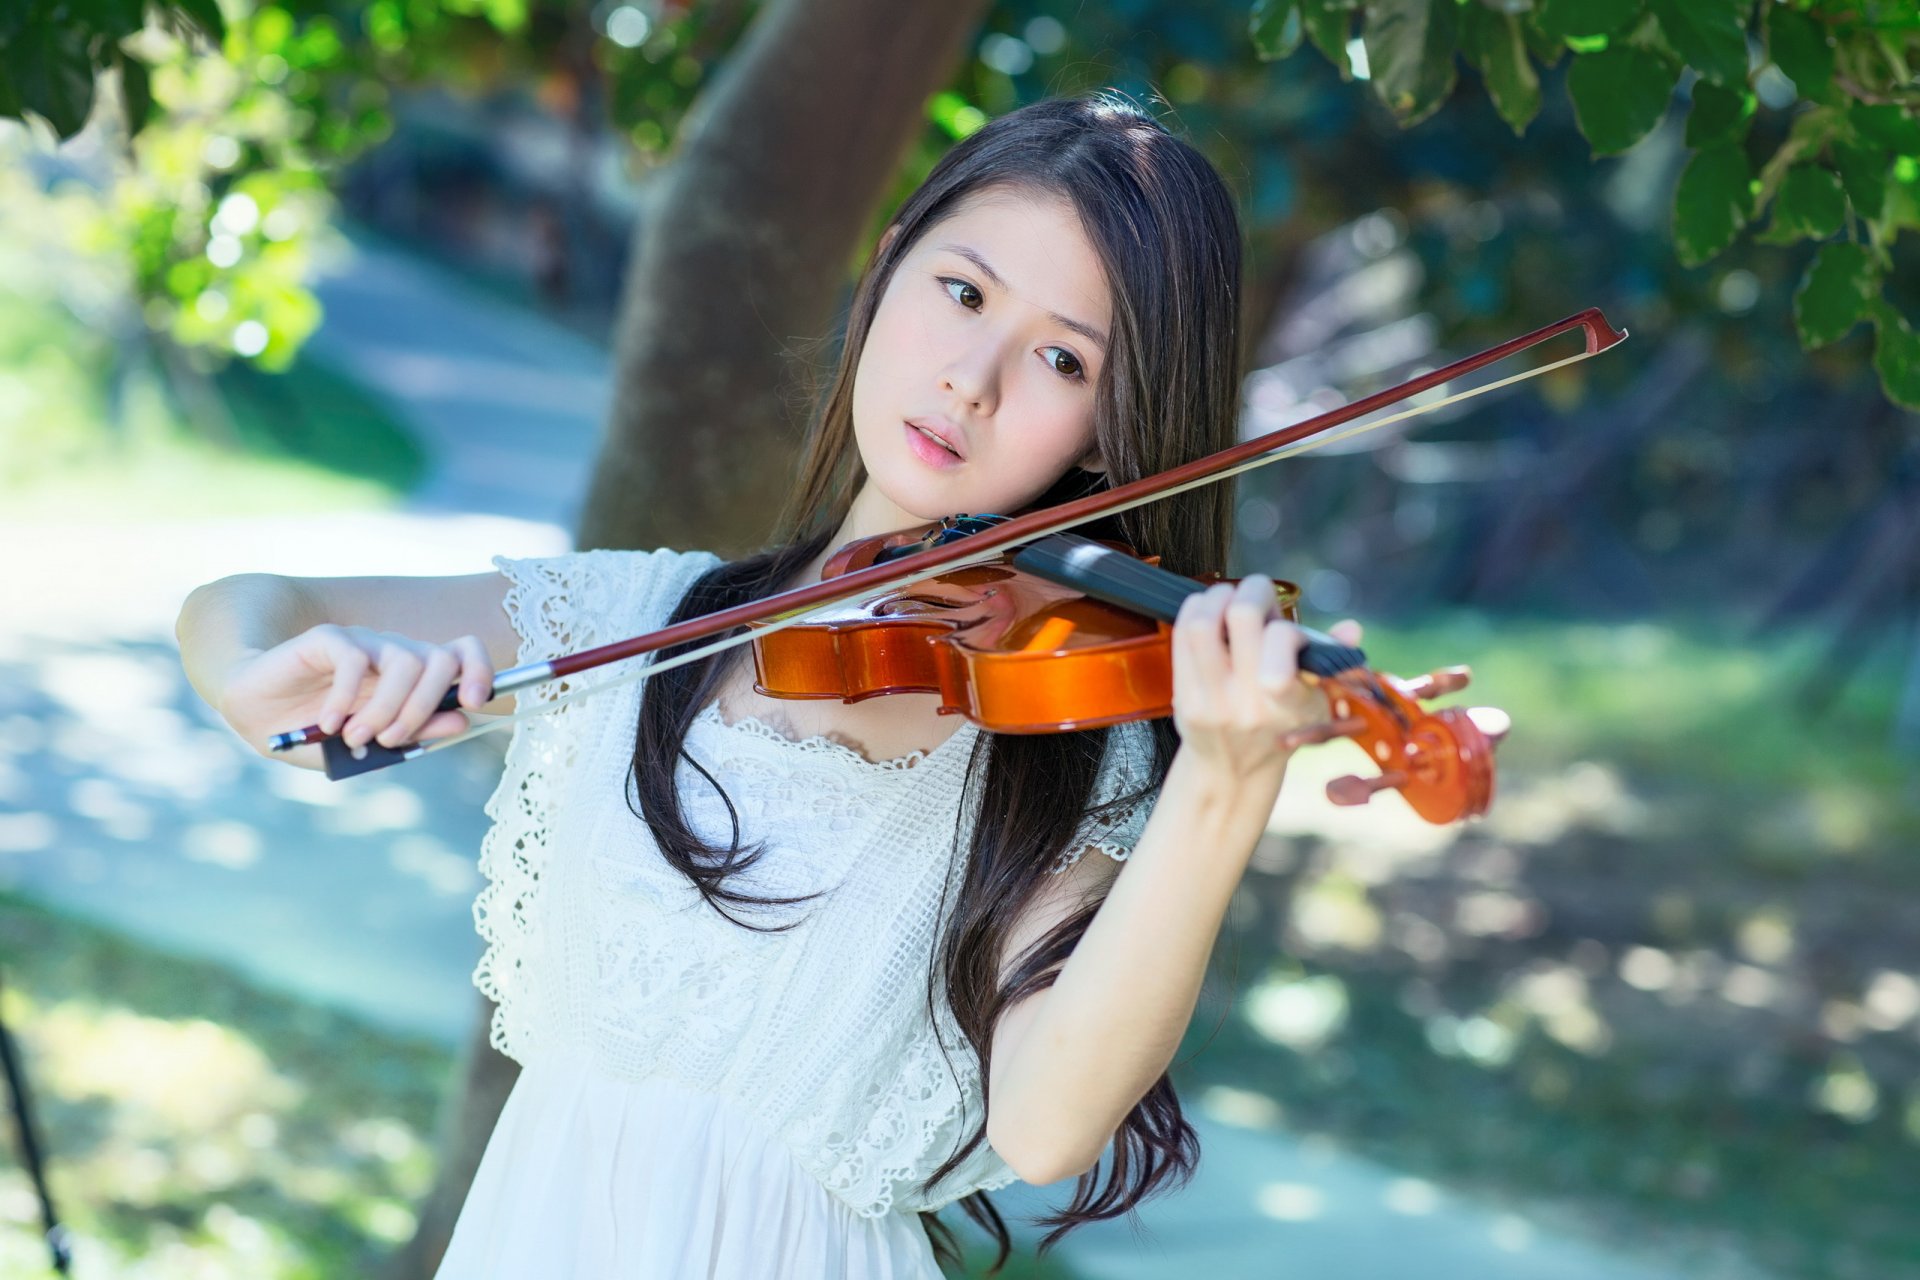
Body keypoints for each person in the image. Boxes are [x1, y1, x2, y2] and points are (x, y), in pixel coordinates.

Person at [177, 93, 1361, 1278]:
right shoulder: (640, 624)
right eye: (962, 293)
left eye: (1061, 357)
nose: (973, 380)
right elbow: (248, 603)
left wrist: (1225, 782)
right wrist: (253, 678)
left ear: (1108, 431)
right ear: (887, 268)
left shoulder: (1060, 746)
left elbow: (1046, 1125)